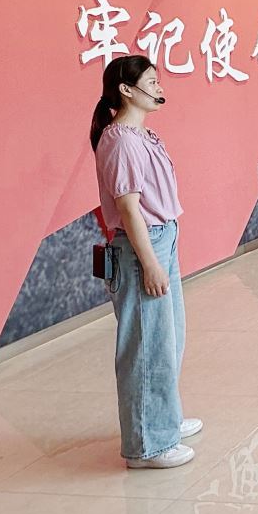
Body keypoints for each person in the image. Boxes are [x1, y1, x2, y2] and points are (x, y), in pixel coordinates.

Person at [90, 55, 201, 470]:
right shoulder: (120, 141)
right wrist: (150, 263)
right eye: (151, 82)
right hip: (142, 247)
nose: (158, 88)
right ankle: (147, 445)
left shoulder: (141, 136)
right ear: (126, 90)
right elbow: (128, 208)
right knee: (146, 346)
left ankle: (162, 420)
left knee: (167, 339)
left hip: (162, 238)